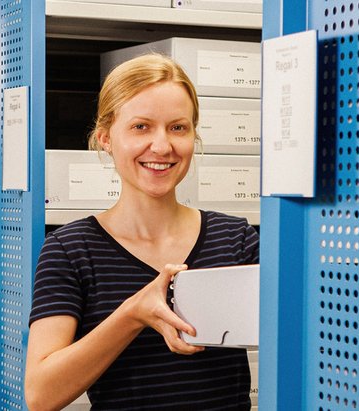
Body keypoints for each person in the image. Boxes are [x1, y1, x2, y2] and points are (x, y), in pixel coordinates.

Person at [24, 53, 259, 410]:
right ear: (105, 137)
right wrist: (133, 314)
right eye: (141, 127)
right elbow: (41, 395)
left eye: (178, 127)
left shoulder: (235, 238)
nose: (162, 147)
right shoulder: (71, 251)